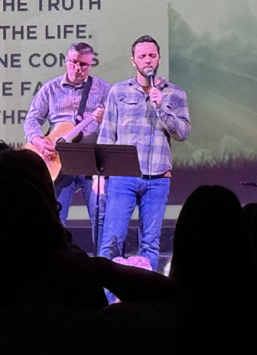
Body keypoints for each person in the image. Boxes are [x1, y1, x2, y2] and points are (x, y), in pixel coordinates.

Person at [98, 35, 190, 271]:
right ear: (133, 60)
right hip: (122, 177)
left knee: (150, 243)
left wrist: (162, 107)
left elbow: (182, 133)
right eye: (142, 56)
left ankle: (146, 290)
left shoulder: (175, 93)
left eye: (152, 55)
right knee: (112, 240)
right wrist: (100, 175)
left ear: (159, 58)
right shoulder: (118, 91)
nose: (147, 60)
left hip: (157, 177)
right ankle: (106, 291)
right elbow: (106, 134)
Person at [23, 42, 110, 226]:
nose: (77, 68)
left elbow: (116, 122)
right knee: (55, 217)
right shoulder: (50, 88)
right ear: (66, 61)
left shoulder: (103, 89)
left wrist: (105, 119)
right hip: (57, 160)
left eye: (83, 64)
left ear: (91, 64)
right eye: (73, 62)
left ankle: (100, 246)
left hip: (90, 160)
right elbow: (31, 120)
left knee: (100, 216)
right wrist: (38, 141)